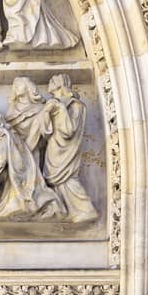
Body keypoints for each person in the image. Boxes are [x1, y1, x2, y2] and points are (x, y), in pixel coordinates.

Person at [43, 74, 97, 225]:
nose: (50, 82)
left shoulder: (76, 106)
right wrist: (47, 111)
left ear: (60, 84)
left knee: (67, 178)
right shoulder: (56, 103)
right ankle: (69, 210)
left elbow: (69, 130)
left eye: (53, 80)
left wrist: (60, 108)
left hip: (66, 149)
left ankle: (85, 210)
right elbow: (46, 131)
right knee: (56, 181)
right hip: (54, 147)